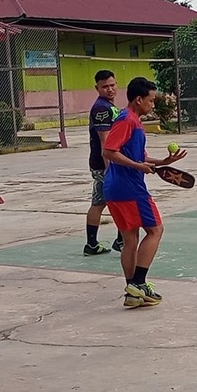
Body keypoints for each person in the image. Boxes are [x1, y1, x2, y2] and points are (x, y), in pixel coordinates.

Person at [102, 77, 186, 308]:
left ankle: (132, 292)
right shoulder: (127, 120)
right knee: (156, 230)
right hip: (129, 189)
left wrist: (163, 161)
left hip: (115, 189)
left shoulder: (134, 122)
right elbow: (109, 151)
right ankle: (138, 282)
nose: (152, 104)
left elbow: (138, 156)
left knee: (130, 239)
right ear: (138, 100)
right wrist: (139, 167)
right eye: (150, 100)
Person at [84, 70, 124, 256]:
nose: (110, 89)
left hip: (111, 163)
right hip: (104, 164)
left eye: (112, 85)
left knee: (112, 201)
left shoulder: (109, 106)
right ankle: (96, 244)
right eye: (105, 86)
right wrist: (110, 168)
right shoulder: (101, 108)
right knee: (104, 202)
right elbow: (105, 141)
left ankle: (118, 240)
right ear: (97, 88)